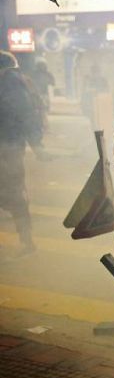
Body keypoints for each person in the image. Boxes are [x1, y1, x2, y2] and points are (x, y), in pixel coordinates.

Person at [0, 51, 49, 257]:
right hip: (9, 145)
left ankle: (27, 242)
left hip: (8, 145)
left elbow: (24, 113)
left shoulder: (10, 83)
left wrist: (36, 144)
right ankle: (26, 239)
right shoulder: (17, 81)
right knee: (13, 190)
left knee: (13, 191)